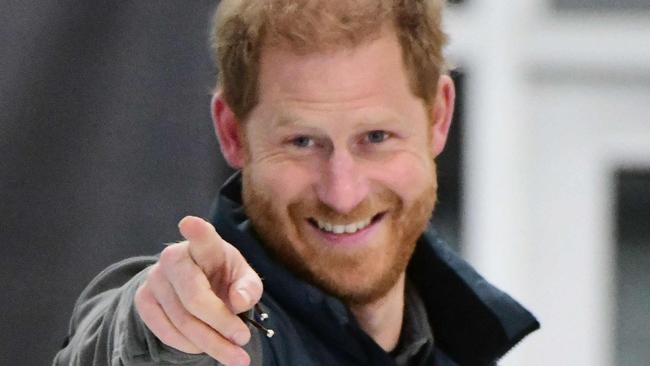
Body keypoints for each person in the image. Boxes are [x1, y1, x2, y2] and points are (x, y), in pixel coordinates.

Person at [53, 0, 539, 365]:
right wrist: (161, 329)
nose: (342, 192)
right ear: (231, 131)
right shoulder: (222, 328)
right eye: (303, 141)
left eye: (376, 137)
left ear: (438, 116)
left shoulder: (452, 341)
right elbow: (124, 341)